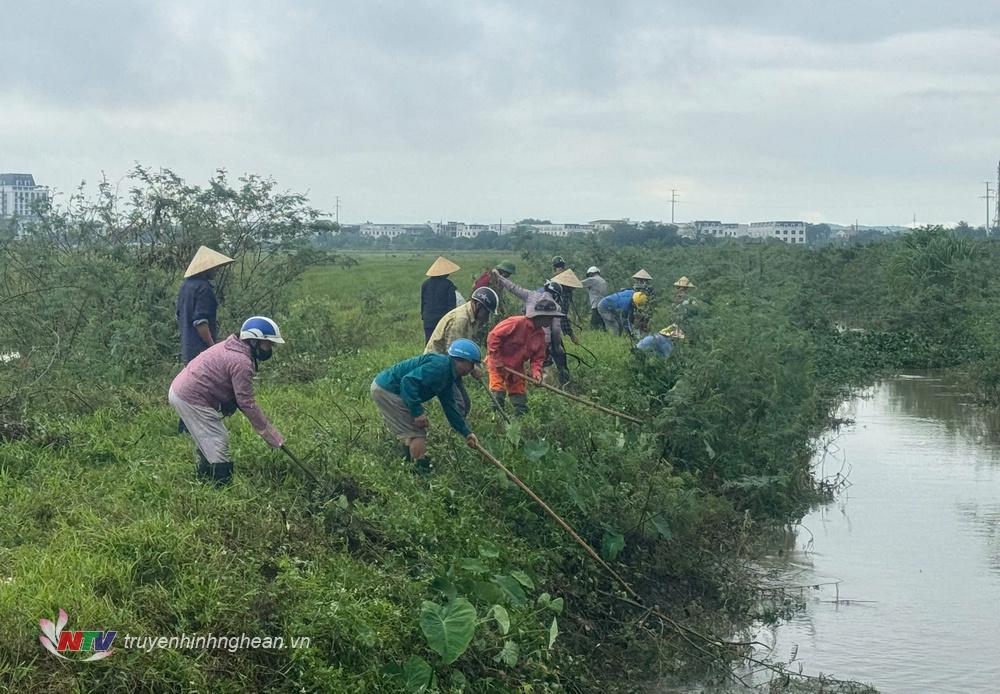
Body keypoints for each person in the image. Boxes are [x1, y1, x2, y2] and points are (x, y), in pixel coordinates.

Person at [168, 316, 286, 486]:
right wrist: (270, 434)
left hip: (181, 390)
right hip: (190, 396)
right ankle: (221, 486)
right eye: (268, 344)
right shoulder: (241, 362)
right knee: (217, 438)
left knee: (207, 437)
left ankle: (204, 477)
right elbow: (246, 402)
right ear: (254, 341)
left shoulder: (231, 347)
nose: (270, 349)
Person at [371, 338, 482, 473]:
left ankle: (408, 464)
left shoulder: (448, 373)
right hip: (388, 390)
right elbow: (408, 382)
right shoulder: (440, 368)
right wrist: (417, 412)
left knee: (412, 430)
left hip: (390, 389)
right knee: (417, 432)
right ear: (460, 360)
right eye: (472, 364)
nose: (472, 370)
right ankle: (421, 472)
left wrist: (466, 433)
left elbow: (450, 407)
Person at [175, 246, 235, 433]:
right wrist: (212, 347)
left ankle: (185, 427)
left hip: (187, 346)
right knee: (204, 389)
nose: (216, 271)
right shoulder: (203, 289)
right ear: (206, 269)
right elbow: (200, 322)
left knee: (191, 387)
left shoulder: (186, 287)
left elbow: (179, 315)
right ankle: (192, 428)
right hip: (200, 349)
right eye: (214, 268)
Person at [492, 270, 579, 385]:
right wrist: (557, 348)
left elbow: (513, 287)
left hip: (523, 335)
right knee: (545, 365)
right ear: (557, 295)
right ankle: (547, 384)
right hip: (542, 341)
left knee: (520, 361)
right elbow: (556, 331)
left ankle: (523, 380)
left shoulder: (530, 295)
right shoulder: (555, 307)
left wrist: (499, 277)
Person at [424, 287, 499, 415]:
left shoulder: (473, 319)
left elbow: (469, 346)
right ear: (478, 305)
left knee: (464, 404)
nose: (486, 318)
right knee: (460, 404)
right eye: (486, 313)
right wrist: (473, 369)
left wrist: (477, 364)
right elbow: (454, 353)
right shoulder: (461, 319)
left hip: (452, 365)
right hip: (440, 365)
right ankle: (458, 430)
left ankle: (460, 429)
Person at [486, 297, 563, 416]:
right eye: (550, 316)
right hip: (498, 364)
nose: (552, 319)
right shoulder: (516, 322)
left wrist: (536, 373)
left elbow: (537, 358)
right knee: (498, 393)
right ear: (541, 315)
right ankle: (495, 421)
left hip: (516, 368)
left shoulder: (540, 335)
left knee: (520, 400)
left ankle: (518, 425)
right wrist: (497, 360)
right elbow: (493, 337)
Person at [421, 256, 461, 342]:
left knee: (429, 343)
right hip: (442, 319)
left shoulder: (425, 284)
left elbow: (423, 303)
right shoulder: (449, 285)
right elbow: (452, 306)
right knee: (443, 344)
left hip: (428, 319)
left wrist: (423, 316)